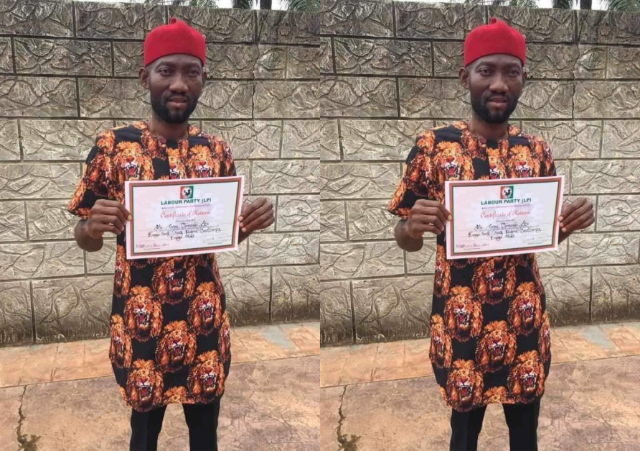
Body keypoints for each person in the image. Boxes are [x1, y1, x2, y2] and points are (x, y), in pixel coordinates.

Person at [67, 18, 274, 451]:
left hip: (204, 318)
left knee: (205, 434)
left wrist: (244, 226)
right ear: (146, 77)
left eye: (191, 72)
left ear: (203, 79)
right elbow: (85, 236)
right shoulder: (112, 148)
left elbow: (217, 234)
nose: (179, 84)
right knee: (143, 436)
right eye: (166, 71)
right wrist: (90, 227)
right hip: (140, 319)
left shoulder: (216, 151)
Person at [388, 18, 594, 451]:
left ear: (524, 79)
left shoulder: (537, 151)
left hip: (524, 317)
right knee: (464, 435)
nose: (499, 84)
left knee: (525, 433)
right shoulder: (432, 148)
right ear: (466, 77)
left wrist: (564, 226)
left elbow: (538, 234)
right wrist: (411, 227)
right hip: (460, 317)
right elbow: (405, 237)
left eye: (511, 72)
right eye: (486, 71)